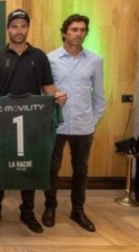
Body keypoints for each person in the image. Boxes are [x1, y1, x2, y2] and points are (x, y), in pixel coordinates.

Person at [0, 9, 67, 233]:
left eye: (22, 26)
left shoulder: (39, 56)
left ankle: (27, 212)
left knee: (29, 165)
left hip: (33, 122)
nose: (18, 30)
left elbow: (48, 88)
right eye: (14, 26)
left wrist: (59, 97)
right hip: (3, 122)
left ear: (27, 28)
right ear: (8, 29)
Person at [42, 14, 105, 232]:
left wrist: (92, 121)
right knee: (51, 169)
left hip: (83, 127)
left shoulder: (95, 61)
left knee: (81, 170)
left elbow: (99, 97)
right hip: (56, 125)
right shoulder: (49, 60)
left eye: (82, 30)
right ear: (64, 32)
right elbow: (43, 92)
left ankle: (78, 210)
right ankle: (50, 207)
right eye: (74, 29)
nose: (78, 34)